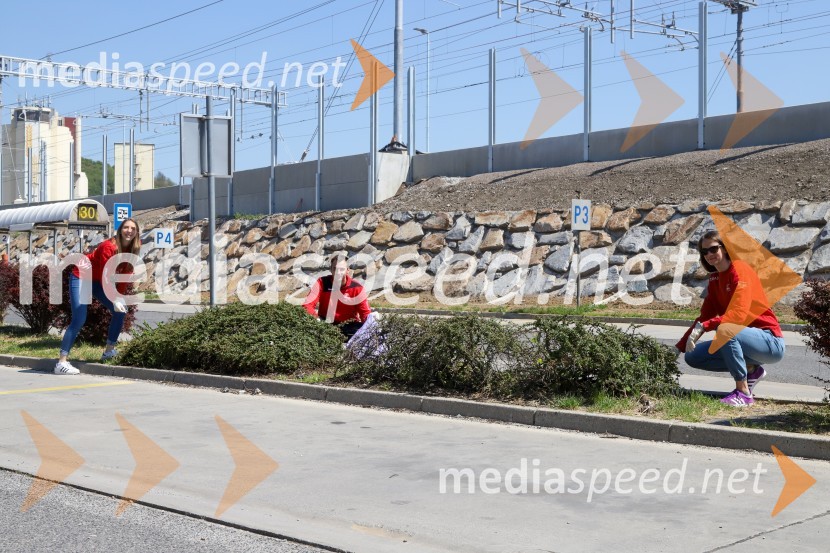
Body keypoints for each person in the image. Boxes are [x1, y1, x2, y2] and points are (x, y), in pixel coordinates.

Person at [676, 230, 786, 406]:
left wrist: (706, 326)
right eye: (704, 252)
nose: (709, 255)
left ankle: (743, 393)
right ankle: (752, 370)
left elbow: (738, 314)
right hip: (745, 341)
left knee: (725, 329)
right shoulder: (714, 279)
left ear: (725, 248)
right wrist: (679, 347)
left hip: (769, 342)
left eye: (713, 249)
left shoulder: (740, 271)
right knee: (693, 356)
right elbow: (704, 317)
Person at [54, 218, 140, 375]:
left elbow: (126, 273)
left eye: (133, 228)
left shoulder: (133, 248)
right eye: (126, 227)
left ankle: (109, 351)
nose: (129, 231)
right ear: (120, 230)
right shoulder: (109, 246)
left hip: (97, 281)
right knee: (79, 319)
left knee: (120, 311)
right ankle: (61, 362)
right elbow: (106, 275)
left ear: (137, 232)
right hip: (82, 276)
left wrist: (119, 297)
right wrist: (114, 297)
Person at [303, 253, 371, 339]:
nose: (338, 273)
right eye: (335, 269)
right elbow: (307, 305)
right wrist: (315, 319)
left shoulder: (357, 288)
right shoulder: (322, 282)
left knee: (366, 330)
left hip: (349, 326)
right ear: (331, 270)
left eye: (341, 269)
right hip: (326, 324)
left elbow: (365, 314)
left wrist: (370, 329)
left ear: (347, 270)